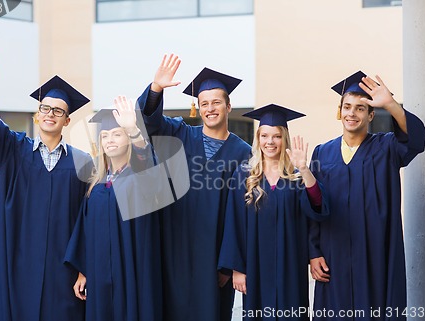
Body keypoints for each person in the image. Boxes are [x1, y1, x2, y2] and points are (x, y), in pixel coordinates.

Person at [0, 42, 93, 321]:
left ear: (67, 121)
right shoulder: (14, 150)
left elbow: (89, 219)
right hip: (19, 263)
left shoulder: (83, 163)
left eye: (58, 111)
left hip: (64, 269)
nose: (50, 114)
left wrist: (85, 267)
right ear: (37, 114)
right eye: (45, 108)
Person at [136, 54, 252, 321]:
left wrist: (229, 263)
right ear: (197, 108)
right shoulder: (181, 134)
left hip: (214, 258)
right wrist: (156, 88)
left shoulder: (243, 153)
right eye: (204, 104)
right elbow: (149, 124)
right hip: (172, 250)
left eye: (216, 103)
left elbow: (241, 214)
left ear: (228, 106)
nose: (210, 108)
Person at [309, 71, 425, 320]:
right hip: (333, 254)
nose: (352, 113)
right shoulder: (322, 153)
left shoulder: (386, 147)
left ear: (371, 114)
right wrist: (313, 252)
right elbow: (312, 206)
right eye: (347, 107)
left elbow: (416, 140)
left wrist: (391, 104)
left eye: (360, 109)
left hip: (376, 252)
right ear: (339, 111)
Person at [218, 104, 328, 321]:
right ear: (258, 138)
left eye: (276, 136)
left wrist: (304, 169)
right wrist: (238, 269)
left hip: (291, 262)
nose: (270, 142)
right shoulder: (245, 176)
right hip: (255, 263)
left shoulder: (296, 176)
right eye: (265, 136)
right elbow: (234, 223)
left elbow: (316, 209)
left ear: (284, 138)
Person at [64, 96, 162, 321]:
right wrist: (83, 270)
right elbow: (85, 232)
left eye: (117, 134)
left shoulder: (139, 177)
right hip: (100, 277)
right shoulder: (96, 186)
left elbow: (149, 167)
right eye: (105, 136)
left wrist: (134, 129)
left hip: (133, 272)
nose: (110, 140)